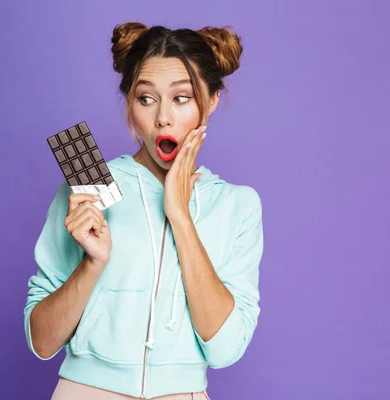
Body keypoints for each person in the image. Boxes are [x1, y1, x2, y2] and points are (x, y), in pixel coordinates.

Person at [24, 22, 264, 400]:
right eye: (146, 98)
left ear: (212, 100)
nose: (163, 118)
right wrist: (92, 264)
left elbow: (226, 349)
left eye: (182, 98)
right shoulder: (89, 185)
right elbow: (42, 341)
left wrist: (180, 216)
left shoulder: (238, 204)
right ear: (130, 103)